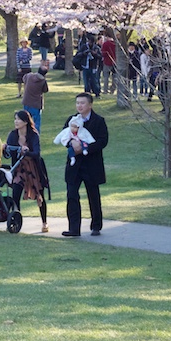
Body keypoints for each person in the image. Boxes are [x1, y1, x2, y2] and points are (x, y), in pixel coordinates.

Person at [61, 93, 108, 237]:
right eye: (77, 103)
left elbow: (103, 141)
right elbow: (65, 135)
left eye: (82, 103)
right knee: (72, 195)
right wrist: (72, 143)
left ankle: (96, 226)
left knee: (93, 196)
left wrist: (85, 147)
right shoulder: (72, 120)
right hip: (75, 166)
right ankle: (74, 229)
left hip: (91, 164)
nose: (79, 106)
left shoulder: (98, 121)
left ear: (90, 105)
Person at [4, 110, 50, 233]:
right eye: (15, 119)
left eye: (18, 119)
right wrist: (5, 149)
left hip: (33, 168)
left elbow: (37, 153)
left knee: (40, 195)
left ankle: (44, 222)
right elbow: (9, 154)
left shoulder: (33, 135)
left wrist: (26, 151)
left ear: (25, 121)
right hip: (18, 168)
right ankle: (16, 221)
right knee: (15, 194)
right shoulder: (13, 135)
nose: (16, 121)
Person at [21, 59, 50, 131]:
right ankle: (36, 135)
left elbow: (24, 79)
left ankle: (26, 133)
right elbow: (45, 90)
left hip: (26, 101)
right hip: (36, 103)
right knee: (36, 122)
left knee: (26, 120)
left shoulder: (29, 76)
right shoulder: (43, 81)